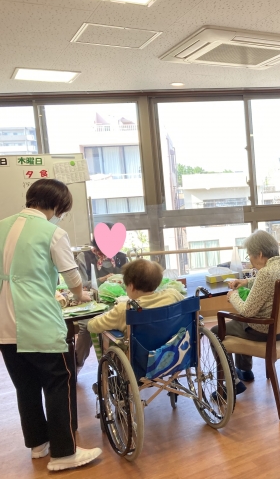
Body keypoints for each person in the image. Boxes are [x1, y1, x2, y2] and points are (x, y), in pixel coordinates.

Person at [0, 178, 102, 471]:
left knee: (26, 386)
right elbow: (72, 277)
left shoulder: (2, 226)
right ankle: (64, 453)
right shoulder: (53, 232)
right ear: (57, 205)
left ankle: (38, 444)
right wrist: (80, 294)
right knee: (59, 382)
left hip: (4, 323)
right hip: (37, 320)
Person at [211, 230, 280, 394]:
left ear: (260, 254)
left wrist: (233, 296)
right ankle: (244, 370)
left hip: (266, 331)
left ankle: (231, 383)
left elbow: (247, 311)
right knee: (240, 323)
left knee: (216, 331)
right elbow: (269, 282)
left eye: (249, 255)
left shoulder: (266, 273)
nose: (249, 259)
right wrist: (246, 282)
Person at [75, 230, 128, 372]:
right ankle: (77, 363)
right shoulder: (84, 257)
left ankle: (120, 364)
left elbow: (129, 280)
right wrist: (101, 280)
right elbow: (80, 284)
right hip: (91, 301)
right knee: (86, 327)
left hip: (118, 302)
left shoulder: (121, 257)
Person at [87, 259, 184, 335]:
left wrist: (102, 315)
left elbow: (92, 326)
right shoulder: (173, 295)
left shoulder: (125, 309)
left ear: (131, 286)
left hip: (140, 353)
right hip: (172, 349)